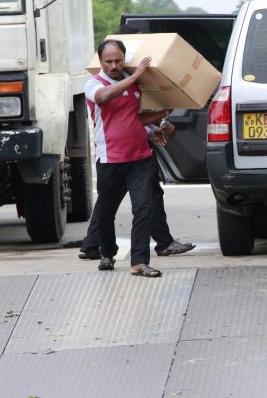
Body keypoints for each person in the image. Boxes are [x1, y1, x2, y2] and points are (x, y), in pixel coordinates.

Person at [85, 38, 170, 277]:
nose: (114, 65)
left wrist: (159, 119)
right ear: (100, 61)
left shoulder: (135, 85)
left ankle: (139, 261)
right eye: (108, 61)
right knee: (105, 212)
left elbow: (134, 118)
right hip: (110, 159)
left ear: (124, 59)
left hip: (140, 157)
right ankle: (107, 253)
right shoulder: (94, 83)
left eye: (118, 60)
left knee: (143, 208)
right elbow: (103, 97)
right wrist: (135, 77)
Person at [78, 119, 195, 260]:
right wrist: (156, 125)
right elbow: (130, 116)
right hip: (130, 149)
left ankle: (92, 243)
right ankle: (161, 244)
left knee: (109, 201)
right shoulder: (113, 105)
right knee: (146, 198)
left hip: (117, 149)